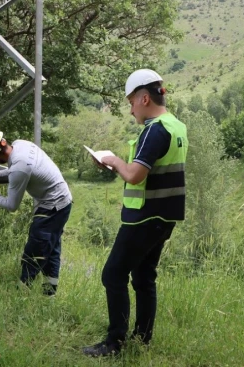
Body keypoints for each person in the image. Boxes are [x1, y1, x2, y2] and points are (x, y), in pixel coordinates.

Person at [82, 69, 188, 357]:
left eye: (131, 103)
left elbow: (135, 176)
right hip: (165, 216)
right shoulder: (176, 126)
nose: (130, 110)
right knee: (143, 277)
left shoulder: (154, 129)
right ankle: (142, 339)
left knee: (112, 275)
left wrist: (112, 160)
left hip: (144, 216)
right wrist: (118, 165)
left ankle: (114, 344)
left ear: (144, 98)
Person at [0, 129, 73, 296]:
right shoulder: (21, 145)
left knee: (34, 252)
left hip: (52, 206)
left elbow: (11, 205)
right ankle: (49, 294)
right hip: (63, 202)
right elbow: (15, 171)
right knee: (51, 248)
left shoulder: (20, 167)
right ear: (3, 141)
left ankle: (21, 293)